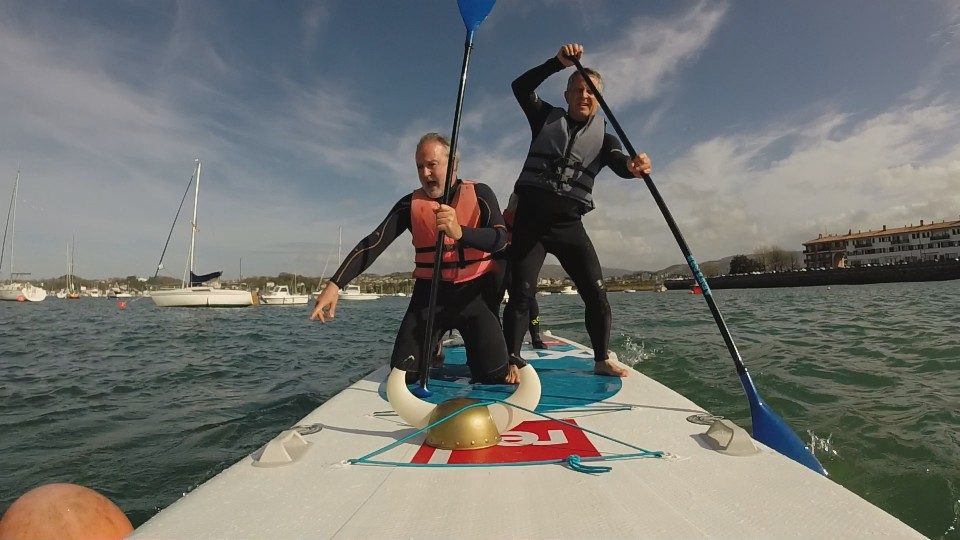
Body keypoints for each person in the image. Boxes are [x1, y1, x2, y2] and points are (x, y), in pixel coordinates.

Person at [311, 133, 521, 385]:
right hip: (429, 297)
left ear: (453, 164)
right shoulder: (409, 204)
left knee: (492, 375)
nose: (425, 173)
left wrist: (460, 232)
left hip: (474, 295)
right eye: (420, 167)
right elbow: (374, 242)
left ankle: (481, 348)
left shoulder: (480, 193)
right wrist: (335, 285)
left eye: (432, 165)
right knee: (405, 375)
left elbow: (499, 238)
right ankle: (434, 346)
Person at [502, 43, 652, 377]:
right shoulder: (545, 118)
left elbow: (620, 164)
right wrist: (556, 62)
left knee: (596, 295)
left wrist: (634, 165)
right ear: (567, 94)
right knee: (522, 295)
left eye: (591, 92)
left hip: (568, 226)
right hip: (530, 224)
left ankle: (600, 359)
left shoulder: (605, 139)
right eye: (578, 89)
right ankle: (512, 360)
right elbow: (520, 87)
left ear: (600, 101)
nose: (584, 96)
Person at [502, 192, 546, 349]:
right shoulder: (501, 221)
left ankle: (536, 337)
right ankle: (502, 338)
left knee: (529, 295)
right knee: (509, 296)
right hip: (504, 259)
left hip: (523, 257)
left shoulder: (532, 222)